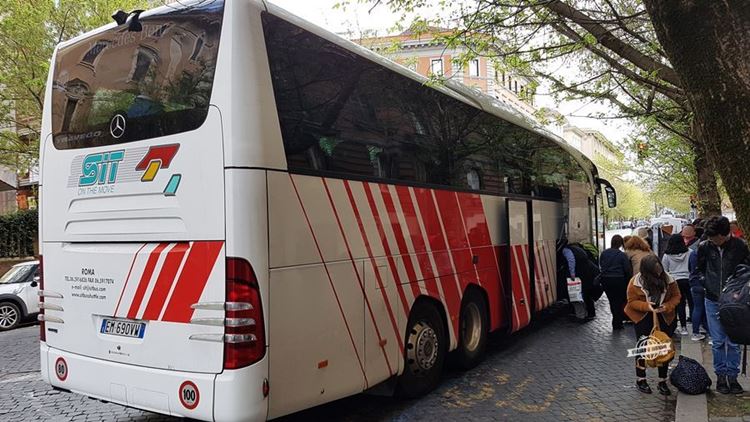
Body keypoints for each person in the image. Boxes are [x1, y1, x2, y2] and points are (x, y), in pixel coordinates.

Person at [696, 216, 750, 394]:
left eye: (715, 237)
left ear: (725, 234)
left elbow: (746, 270)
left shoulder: (740, 246)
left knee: (733, 341)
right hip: (712, 298)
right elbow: (698, 270)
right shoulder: (704, 246)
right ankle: (720, 376)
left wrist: (739, 289)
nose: (712, 240)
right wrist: (705, 283)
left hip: (734, 301)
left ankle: (733, 377)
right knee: (718, 341)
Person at [625, 254, 681, 395]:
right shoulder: (635, 282)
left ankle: (662, 380)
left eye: (659, 270)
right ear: (646, 271)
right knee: (643, 347)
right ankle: (641, 379)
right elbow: (631, 302)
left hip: (664, 316)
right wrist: (646, 306)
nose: (658, 273)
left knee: (664, 347)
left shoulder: (669, 279)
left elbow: (677, 296)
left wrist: (667, 306)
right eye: (655, 271)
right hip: (643, 317)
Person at [661, 234, 692, 336]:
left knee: (680, 304)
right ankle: (696, 325)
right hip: (688, 279)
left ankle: (683, 327)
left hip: (674, 281)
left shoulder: (667, 255)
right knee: (692, 303)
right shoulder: (689, 252)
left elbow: (664, 270)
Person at [600, 235, 632, 330]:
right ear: (620, 244)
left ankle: (616, 320)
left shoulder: (604, 253)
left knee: (612, 301)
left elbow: (601, 265)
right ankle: (617, 322)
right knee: (619, 301)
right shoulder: (622, 255)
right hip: (619, 280)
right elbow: (627, 270)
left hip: (606, 280)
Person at [688, 248, 707, 341]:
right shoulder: (710, 253)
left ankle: (695, 332)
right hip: (707, 283)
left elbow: (690, 267)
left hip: (695, 282)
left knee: (697, 308)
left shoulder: (693, 253)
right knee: (708, 308)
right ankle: (711, 333)